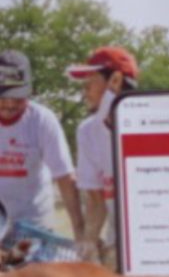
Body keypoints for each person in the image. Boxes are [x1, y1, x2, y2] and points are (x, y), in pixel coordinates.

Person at [62, 48, 134, 269]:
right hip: (117, 246)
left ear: (115, 81)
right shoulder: (87, 131)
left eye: (89, 85)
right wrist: (89, 243)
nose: (85, 93)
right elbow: (96, 200)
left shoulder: (152, 124)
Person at [0, 50, 75, 259]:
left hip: (33, 229)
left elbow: (65, 177)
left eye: (18, 97)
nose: (10, 104)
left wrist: (80, 232)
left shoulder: (42, 120)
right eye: (3, 96)